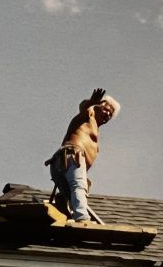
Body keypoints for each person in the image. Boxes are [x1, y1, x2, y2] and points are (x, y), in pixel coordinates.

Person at [45, 88, 120, 223]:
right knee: (78, 186)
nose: (108, 114)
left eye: (111, 113)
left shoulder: (94, 126)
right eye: (106, 109)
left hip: (63, 163)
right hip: (71, 158)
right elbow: (84, 106)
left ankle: (63, 211)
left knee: (69, 194)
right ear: (97, 107)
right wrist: (91, 102)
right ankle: (82, 218)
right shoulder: (88, 115)